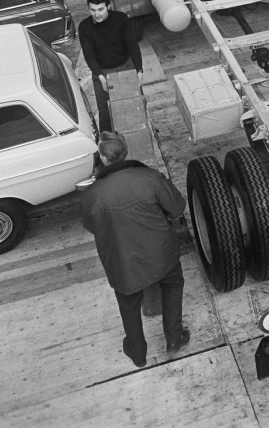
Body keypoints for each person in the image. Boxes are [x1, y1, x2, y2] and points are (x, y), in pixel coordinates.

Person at [81, 131, 190, 369]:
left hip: (122, 263)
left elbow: (92, 227)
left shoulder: (91, 195)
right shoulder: (150, 178)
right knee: (173, 285)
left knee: (128, 304)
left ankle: (138, 353)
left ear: (102, 157)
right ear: (126, 150)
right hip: (162, 255)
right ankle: (174, 339)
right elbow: (177, 208)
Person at [78, 0, 143, 133]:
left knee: (134, 106)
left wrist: (139, 70)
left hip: (126, 67)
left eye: (101, 9)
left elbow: (132, 45)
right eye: (93, 10)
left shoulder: (121, 19)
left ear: (109, 6)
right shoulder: (84, 27)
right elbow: (89, 55)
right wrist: (101, 77)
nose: (97, 14)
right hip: (102, 72)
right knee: (105, 113)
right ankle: (107, 149)